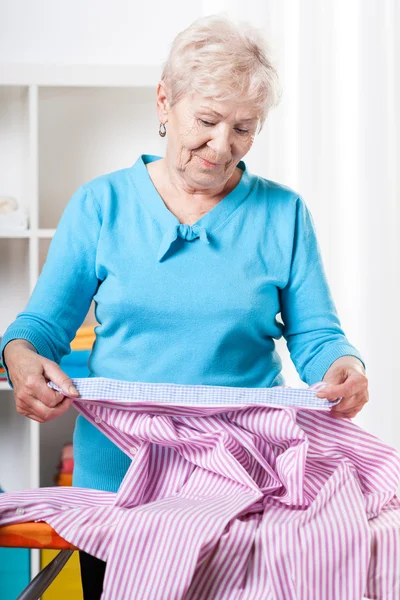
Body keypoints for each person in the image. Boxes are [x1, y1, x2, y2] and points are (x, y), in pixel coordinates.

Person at [0, 14, 368, 599]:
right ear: (165, 101)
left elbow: (316, 333)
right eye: (207, 120)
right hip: (122, 481)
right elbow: (41, 327)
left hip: (246, 478)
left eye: (244, 128)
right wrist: (20, 357)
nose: (222, 147)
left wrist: (343, 366)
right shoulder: (101, 206)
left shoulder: (284, 213)